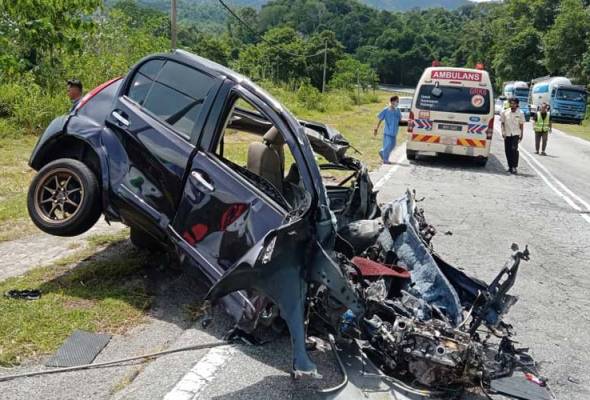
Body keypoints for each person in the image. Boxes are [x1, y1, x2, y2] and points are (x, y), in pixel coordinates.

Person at [374, 96, 402, 164]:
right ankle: (385, 160)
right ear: (392, 102)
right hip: (388, 131)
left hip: (394, 132)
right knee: (388, 145)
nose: (398, 103)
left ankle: (382, 152)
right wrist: (376, 128)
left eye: (398, 102)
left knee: (393, 145)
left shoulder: (397, 110)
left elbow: (400, 120)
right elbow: (380, 119)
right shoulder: (386, 110)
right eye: (397, 101)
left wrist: (408, 123)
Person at [500, 97, 525, 174]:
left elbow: (521, 125)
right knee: (507, 151)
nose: (512, 105)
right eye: (511, 103)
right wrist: (503, 132)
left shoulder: (520, 113)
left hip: (515, 134)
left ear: (517, 104)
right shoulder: (505, 112)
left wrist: (521, 134)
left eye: (514, 103)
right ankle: (510, 167)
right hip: (507, 134)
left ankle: (514, 167)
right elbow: (502, 123)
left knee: (514, 149)